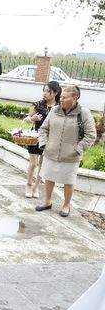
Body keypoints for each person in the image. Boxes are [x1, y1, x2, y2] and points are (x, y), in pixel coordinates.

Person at [36, 85, 96, 217]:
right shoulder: (54, 110)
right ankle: (47, 201)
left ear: (75, 98)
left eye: (64, 97)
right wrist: (45, 144)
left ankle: (66, 204)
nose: (61, 99)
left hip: (71, 156)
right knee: (49, 177)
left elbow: (91, 135)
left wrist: (77, 150)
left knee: (68, 181)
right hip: (51, 152)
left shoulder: (84, 113)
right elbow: (44, 129)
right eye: (61, 96)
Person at [24, 81, 61, 198]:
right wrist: (32, 118)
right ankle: (29, 185)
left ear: (55, 93)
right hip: (35, 138)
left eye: (47, 91)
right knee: (33, 163)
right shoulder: (38, 105)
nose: (44, 93)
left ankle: (36, 187)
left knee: (42, 165)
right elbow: (26, 119)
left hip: (50, 140)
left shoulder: (59, 107)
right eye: (43, 90)